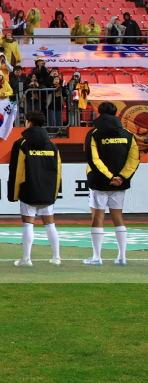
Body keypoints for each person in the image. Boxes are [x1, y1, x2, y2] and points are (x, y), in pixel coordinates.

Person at [82, 102, 139, 266]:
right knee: (118, 218)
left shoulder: (94, 133)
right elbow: (134, 159)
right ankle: (122, 257)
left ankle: (96, 258)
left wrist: (109, 177)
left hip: (99, 182)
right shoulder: (128, 134)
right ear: (116, 114)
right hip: (120, 184)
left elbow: (93, 159)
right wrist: (121, 177)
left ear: (99, 113)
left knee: (97, 218)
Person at [8, 111, 62, 267]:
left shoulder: (22, 144)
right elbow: (58, 170)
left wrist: (13, 193)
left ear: (29, 123)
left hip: (29, 188)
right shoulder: (52, 145)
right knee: (50, 223)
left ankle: (26, 259)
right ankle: (56, 257)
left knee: (28, 223)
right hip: (47, 189)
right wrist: (54, 191)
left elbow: (17, 170)